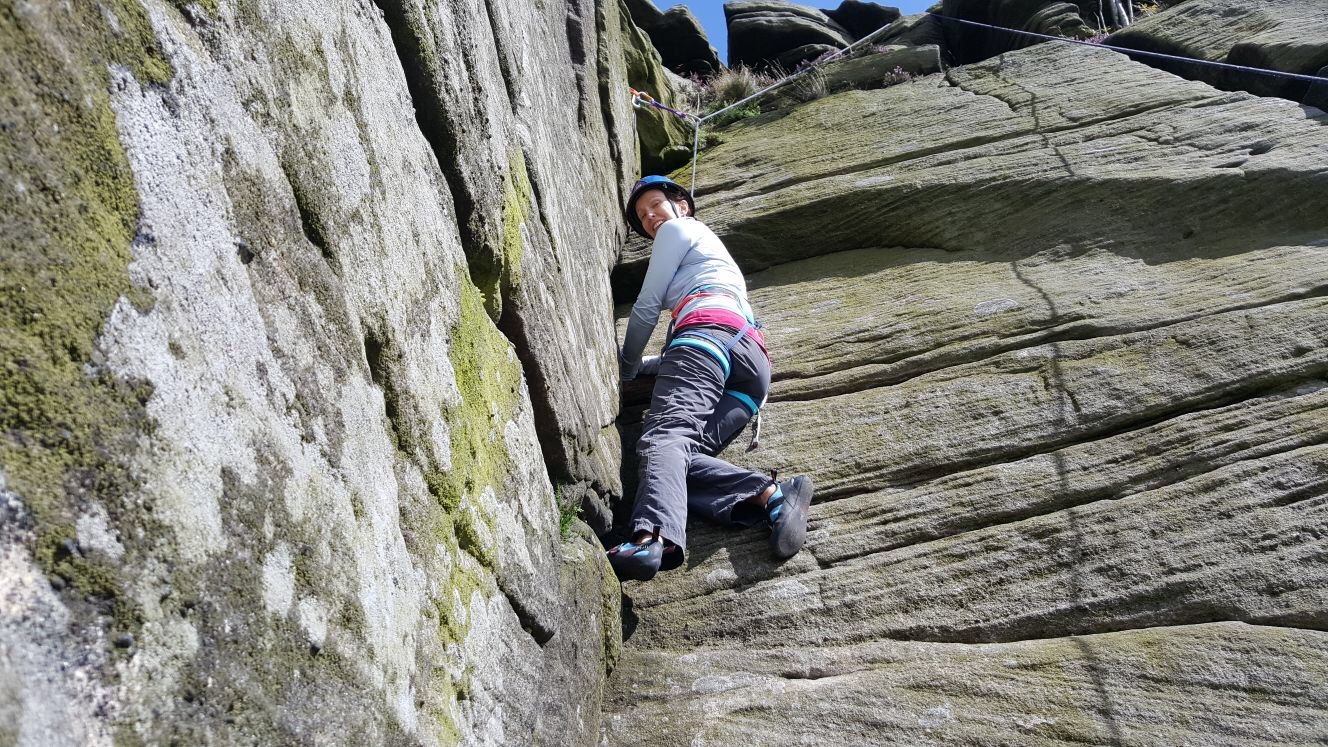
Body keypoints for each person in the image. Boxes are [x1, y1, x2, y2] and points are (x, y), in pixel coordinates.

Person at [608, 175, 814, 582]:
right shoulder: (708, 262)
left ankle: (650, 538)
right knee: (672, 462)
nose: (651, 218)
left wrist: (626, 367)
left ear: (682, 205)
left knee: (664, 439)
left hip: (708, 336)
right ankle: (771, 496)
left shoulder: (680, 229)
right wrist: (649, 365)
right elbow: (676, 356)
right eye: (643, 215)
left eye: (655, 206)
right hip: (750, 366)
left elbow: (649, 307)